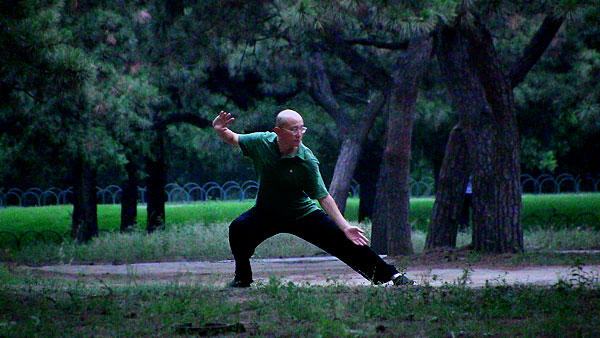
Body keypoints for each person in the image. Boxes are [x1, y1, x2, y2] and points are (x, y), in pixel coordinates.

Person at [212, 109, 413, 287]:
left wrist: (345, 227)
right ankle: (243, 278)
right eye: (293, 129)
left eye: (302, 129)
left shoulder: (306, 160)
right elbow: (234, 138)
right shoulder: (261, 142)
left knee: (345, 241)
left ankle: (392, 275)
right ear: (278, 131)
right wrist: (220, 129)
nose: (299, 134)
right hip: (266, 213)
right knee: (239, 229)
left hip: (302, 214)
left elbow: (323, 197)